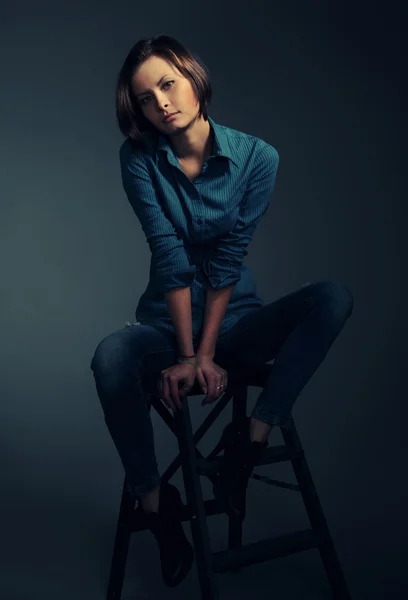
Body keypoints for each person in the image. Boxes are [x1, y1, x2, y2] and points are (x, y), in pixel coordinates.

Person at [90, 34, 354, 588]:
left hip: (236, 323)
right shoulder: (138, 159)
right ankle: (158, 509)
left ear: (193, 78)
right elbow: (169, 255)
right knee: (111, 356)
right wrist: (186, 356)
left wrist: (207, 354)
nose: (160, 103)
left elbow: (230, 256)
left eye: (168, 84)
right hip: (163, 326)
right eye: (144, 98)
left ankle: (248, 444)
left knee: (331, 297)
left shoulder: (257, 157)